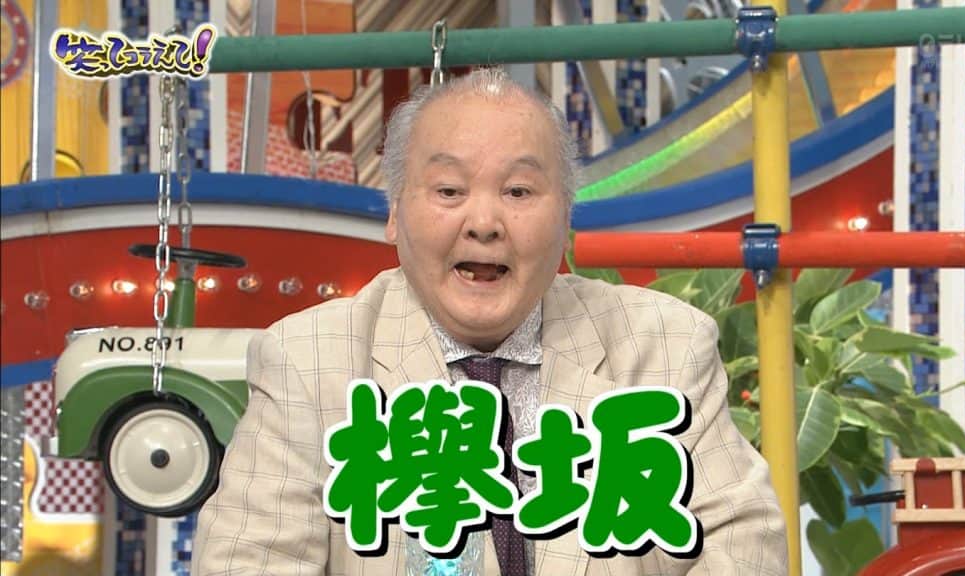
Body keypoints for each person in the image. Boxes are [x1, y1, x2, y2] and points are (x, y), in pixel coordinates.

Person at [193, 67, 787, 575]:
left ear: (565, 217)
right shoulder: (308, 361)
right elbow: (248, 562)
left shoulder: (663, 347)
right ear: (395, 213)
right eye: (450, 190)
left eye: (519, 191)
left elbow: (744, 544)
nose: (484, 222)